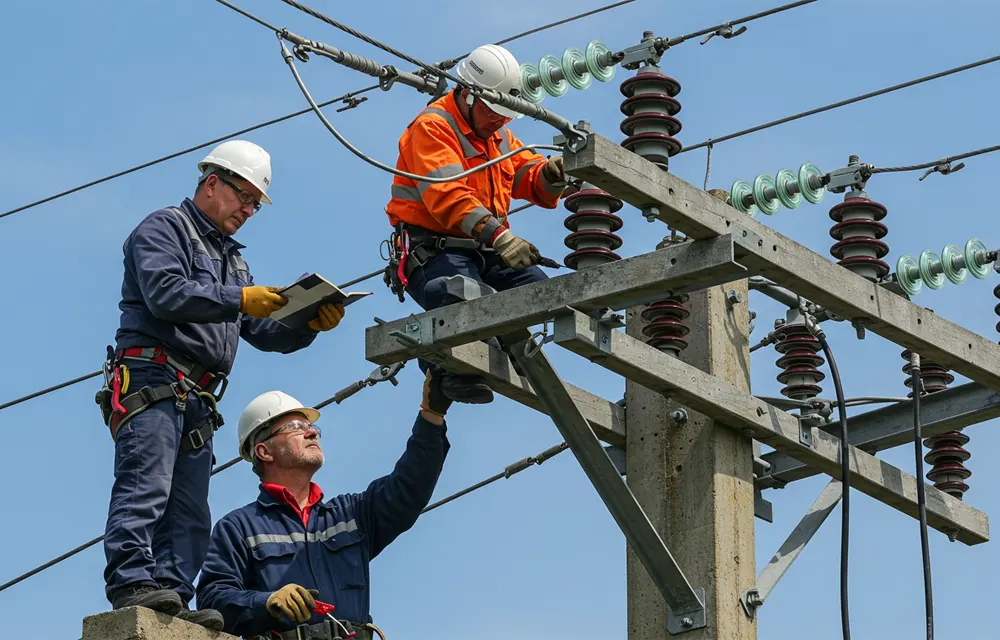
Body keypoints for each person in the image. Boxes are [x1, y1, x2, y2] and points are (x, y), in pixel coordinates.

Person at [99, 140, 347, 630]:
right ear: (212, 183)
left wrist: (307, 325)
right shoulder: (164, 227)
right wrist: (239, 298)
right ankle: (131, 580)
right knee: (146, 485)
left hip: (197, 396)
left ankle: (170, 592)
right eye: (244, 197)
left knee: (190, 509)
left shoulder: (233, 260)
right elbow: (166, 294)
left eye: (256, 204)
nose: (249, 210)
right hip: (153, 378)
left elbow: (262, 332)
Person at [195, 369, 453, 639]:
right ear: (264, 451)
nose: (311, 433)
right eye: (296, 427)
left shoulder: (352, 515)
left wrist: (431, 415)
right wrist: (266, 602)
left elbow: (411, 486)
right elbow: (214, 600)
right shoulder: (239, 528)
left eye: (311, 427)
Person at [383, 43, 566, 405]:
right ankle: (443, 364)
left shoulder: (500, 135)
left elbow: (528, 177)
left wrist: (552, 174)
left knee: (542, 294)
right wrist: (501, 237)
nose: (500, 120)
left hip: (485, 250)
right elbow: (447, 197)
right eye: (493, 111)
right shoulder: (433, 127)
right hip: (436, 251)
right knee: (457, 294)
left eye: (506, 114)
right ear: (467, 94)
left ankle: (502, 346)